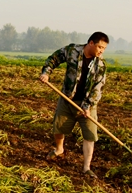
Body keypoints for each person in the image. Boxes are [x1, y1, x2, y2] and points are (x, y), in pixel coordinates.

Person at [39, 31, 109, 179]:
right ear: (91, 43)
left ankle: (86, 168)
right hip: (67, 98)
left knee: (90, 135)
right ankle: (59, 150)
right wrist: (46, 73)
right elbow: (54, 58)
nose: (101, 51)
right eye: (100, 47)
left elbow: (98, 88)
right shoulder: (72, 51)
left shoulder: (101, 65)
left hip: (88, 105)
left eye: (104, 48)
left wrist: (88, 106)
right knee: (59, 128)